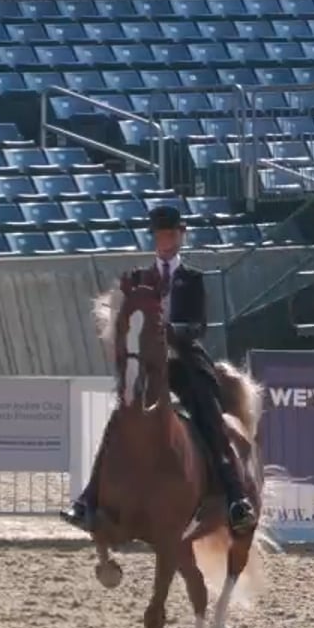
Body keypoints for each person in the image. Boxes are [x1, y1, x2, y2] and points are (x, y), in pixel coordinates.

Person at [63, 205, 257, 534]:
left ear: (181, 236)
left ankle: (236, 499)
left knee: (210, 422)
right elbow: (126, 321)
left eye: (170, 235)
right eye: (160, 236)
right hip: (149, 366)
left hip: (184, 363)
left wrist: (169, 333)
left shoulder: (192, 279)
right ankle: (88, 498)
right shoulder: (139, 278)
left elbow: (198, 326)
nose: (165, 241)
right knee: (119, 418)